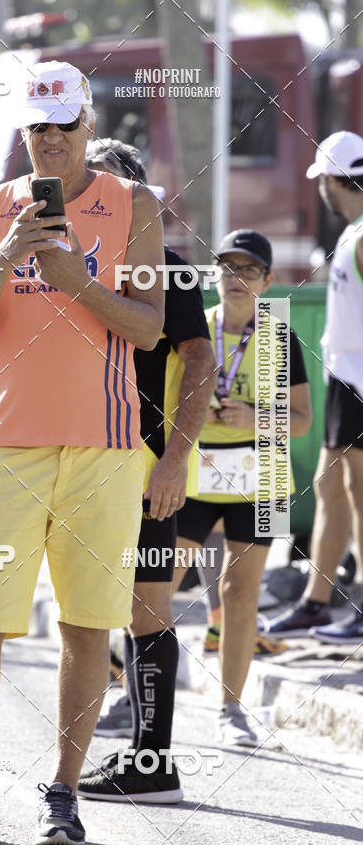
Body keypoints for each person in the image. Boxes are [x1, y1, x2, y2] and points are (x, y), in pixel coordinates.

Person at [0, 62, 165, 845]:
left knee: (88, 627)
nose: (51, 138)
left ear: (88, 125)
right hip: (8, 448)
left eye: (64, 124)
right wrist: (6, 255)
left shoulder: (135, 204)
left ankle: (63, 791)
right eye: (38, 127)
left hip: (107, 449)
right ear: (23, 133)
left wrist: (79, 284)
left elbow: (150, 327)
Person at [76, 139, 217, 803]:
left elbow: (202, 361)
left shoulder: (172, 269)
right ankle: (86, 765)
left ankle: (152, 764)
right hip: (67, 458)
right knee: (81, 611)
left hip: (142, 466)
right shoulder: (63, 267)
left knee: (146, 605)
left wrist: (175, 460)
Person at [171, 230, 312, 747]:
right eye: (227, 268)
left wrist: (253, 415)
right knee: (160, 580)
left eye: (248, 271)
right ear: (214, 276)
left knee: (240, 592)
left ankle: (232, 709)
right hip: (197, 467)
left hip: (266, 474)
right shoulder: (196, 329)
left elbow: (300, 422)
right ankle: (138, 694)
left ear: (268, 282)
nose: (235, 279)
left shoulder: (279, 335)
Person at [265, 131, 363, 645]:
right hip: (343, 379)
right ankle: (316, 603)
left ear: (330, 180)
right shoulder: (353, 232)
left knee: (359, 494)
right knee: (330, 489)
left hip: (358, 384)